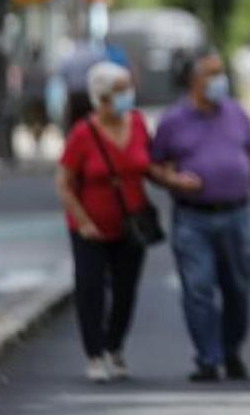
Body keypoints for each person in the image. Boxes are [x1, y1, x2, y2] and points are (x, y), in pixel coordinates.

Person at [54, 61, 201, 382]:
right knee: (90, 288)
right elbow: (64, 183)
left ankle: (114, 347)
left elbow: (148, 167)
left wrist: (176, 181)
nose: (127, 97)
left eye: (127, 90)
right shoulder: (83, 134)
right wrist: (83, 222)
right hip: (89, 227)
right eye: (119, 92)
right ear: (102, 98)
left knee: (125, 290)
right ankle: (94, 354)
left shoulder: (136, 123)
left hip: (131, 223)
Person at [149, 48, 250, 382]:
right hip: (193, 218)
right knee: (198, 288)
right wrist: (173, 180)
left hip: (238, 214)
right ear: (194, 79)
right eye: (211, 73)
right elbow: (154, 166)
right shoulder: (172, 121)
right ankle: (208, 357)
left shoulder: (237, 113)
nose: (219, 79)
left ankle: (231, 350)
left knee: (239, 288)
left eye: (221, 72)